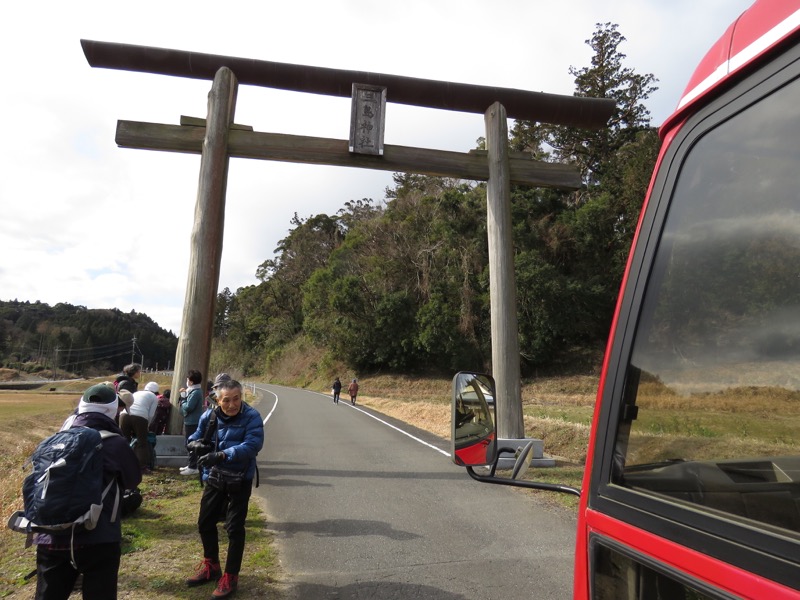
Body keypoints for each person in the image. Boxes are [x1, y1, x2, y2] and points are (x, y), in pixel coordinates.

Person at [33, 383, 141, 600]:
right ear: (113, 410)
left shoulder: (51, 441)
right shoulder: (115, 443)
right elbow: (132, 481)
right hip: (98, 534)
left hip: (50, 534)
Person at [185, 379, 264, 598]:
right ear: (217, 400)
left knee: (234, 528)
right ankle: (212, 566)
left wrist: (221, 455)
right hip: (214, 476)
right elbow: (194, 436)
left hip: (240, 478)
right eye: (226, 400)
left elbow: (252, 445)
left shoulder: (252, 417)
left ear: (242, 397)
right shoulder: (208, 416)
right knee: (205, 522)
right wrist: (193, 444)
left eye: (236, 399)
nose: (232, 405)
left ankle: (231, 576)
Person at [120, 382, 159, 473]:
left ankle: (123, 464)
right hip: (140, 417)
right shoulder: (153, 397)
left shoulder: (136, 393)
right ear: (156, 392)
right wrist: (147, 426)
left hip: (124, 415)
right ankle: (142, 467)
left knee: (124, 440)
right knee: (142, 443)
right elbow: (151, 415)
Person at [179, 370, 204, 476]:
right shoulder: (193, 391)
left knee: (191, 444)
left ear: (192, 382)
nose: (187, 381)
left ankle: (193, 466)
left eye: (188, 379)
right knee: (188, 443)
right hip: (190, 421)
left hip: (193, 422)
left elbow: (189, 407)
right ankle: (191, 464)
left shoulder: (196, 392)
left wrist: (183, 398)